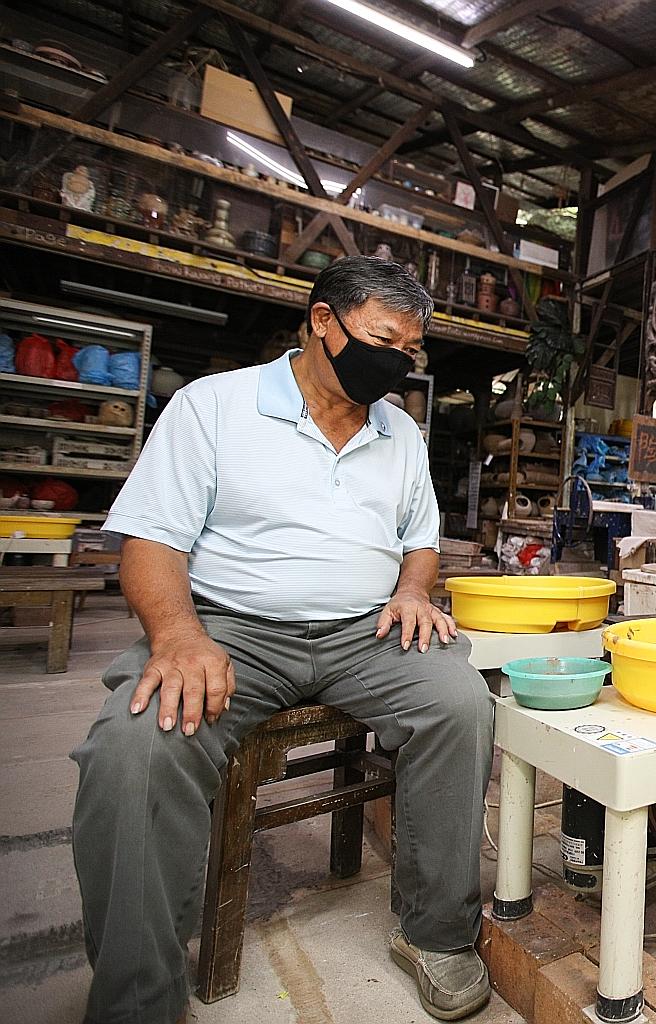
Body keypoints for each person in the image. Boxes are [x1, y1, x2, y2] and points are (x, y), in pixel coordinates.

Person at [71, 257, 494, 1024]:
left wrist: (411, 591)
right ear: (322, 320)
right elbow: (152, 541)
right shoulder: (214, 406)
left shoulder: (400, 433)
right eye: (382, 339)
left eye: (410, 349)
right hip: (231, 629)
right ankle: (139, 997)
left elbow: (419, 540)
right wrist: (176, 635)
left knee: (461, 703)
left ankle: (437, 934)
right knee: (136, 746)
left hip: (365, 630)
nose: (396, 361)